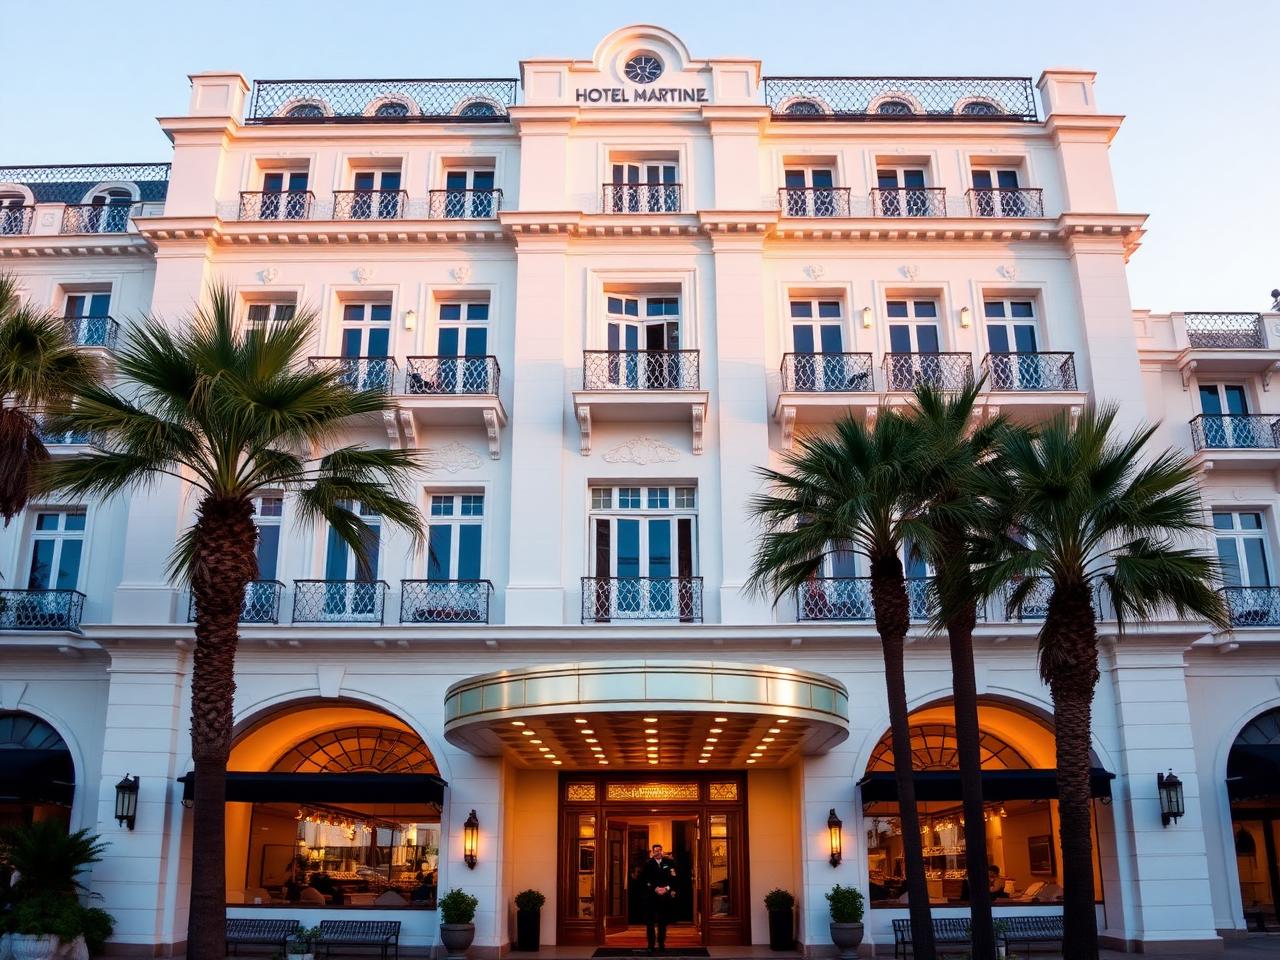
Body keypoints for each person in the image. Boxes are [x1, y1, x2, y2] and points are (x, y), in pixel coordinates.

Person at [640, 843, 678, 953]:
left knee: (663, 922)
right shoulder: (648, 864)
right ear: (652, 852)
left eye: (660, 850)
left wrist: (667, 888)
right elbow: (644, 880)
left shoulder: (669, 863)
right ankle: (651, 945)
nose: (658, 852)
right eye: (656, 851)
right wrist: (655, 888)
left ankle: (661, 943)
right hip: (651, 897)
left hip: (664, 897)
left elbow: (674, 878)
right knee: (650, 923)